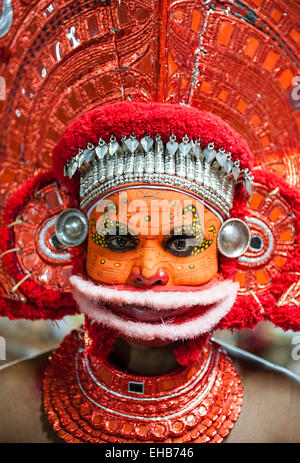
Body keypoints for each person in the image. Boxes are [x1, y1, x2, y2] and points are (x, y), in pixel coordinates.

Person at [0, 102, 299, 443]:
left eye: (183, 242)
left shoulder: (286, 411)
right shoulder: (7, 405)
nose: (149, 272)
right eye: (117, 239)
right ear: (76, 248)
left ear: (228, 253)